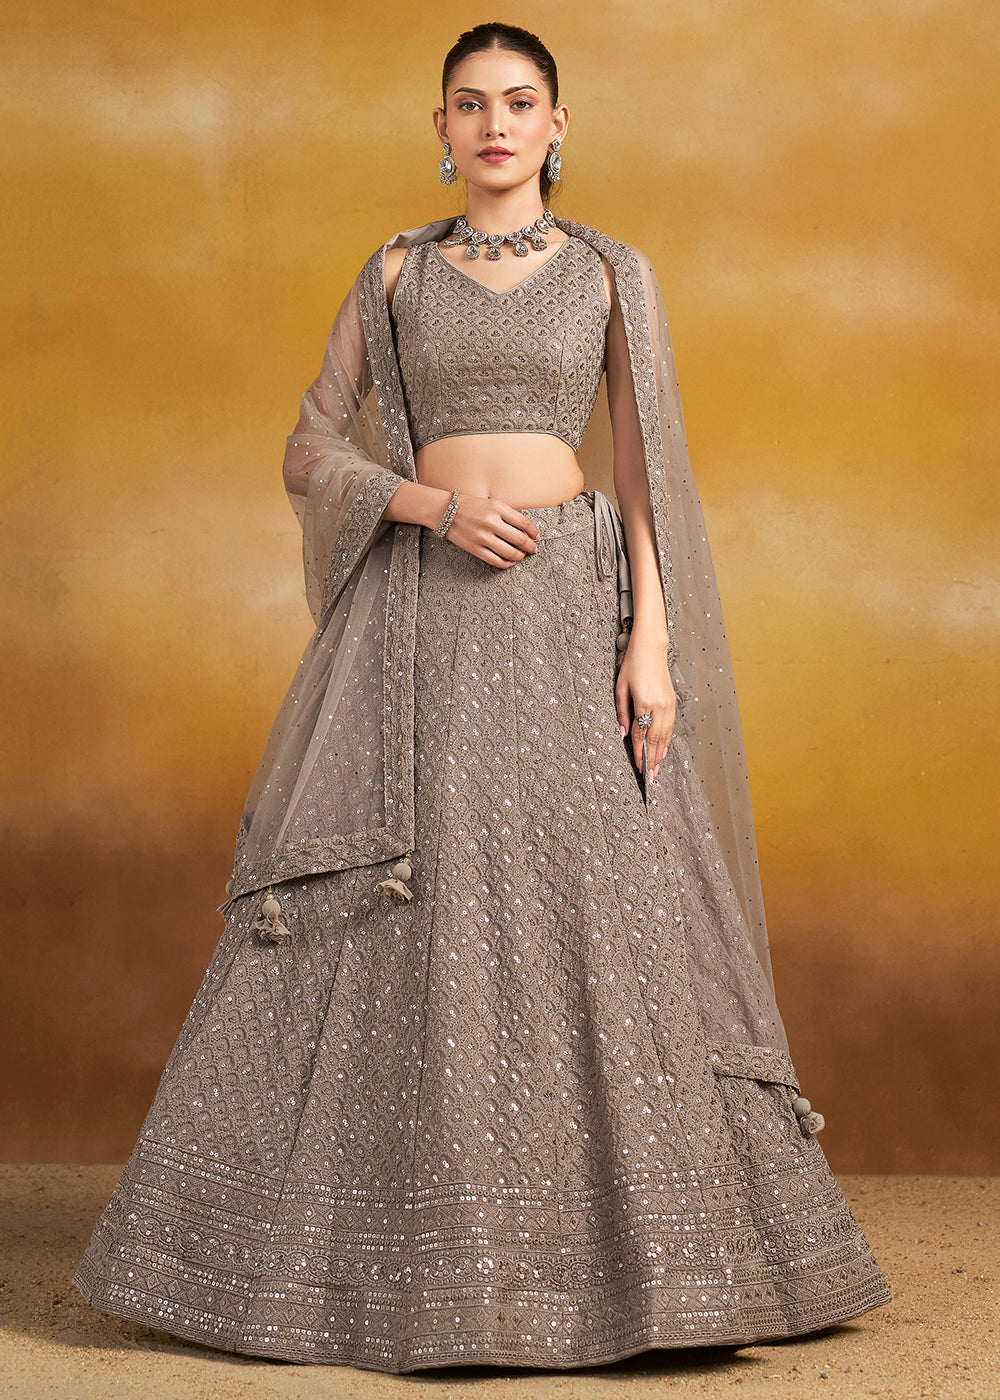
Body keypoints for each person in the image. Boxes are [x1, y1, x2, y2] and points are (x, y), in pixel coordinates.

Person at [72, 21, 891, 1374]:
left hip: (571, 609)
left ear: (560, 125)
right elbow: (311, 444)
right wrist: (427, 506)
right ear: (441, 128)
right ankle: (383, 1255)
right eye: (470, 104)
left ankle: (643, 1268)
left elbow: (644, 474)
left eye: (520, 102)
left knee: (592, 897)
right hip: (421, 614)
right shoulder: (396, 272)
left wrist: (652, 645)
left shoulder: (613, 274)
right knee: (427, 898)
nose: (495, 124)